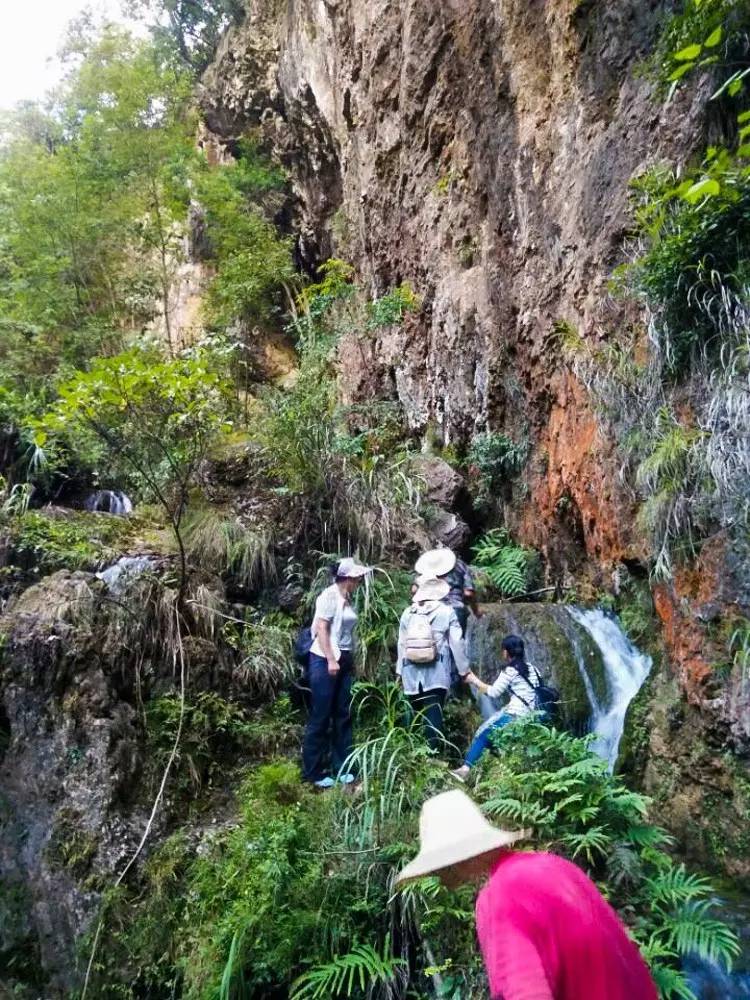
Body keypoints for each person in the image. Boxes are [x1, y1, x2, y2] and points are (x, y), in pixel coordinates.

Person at [396, 789, 658, 1000]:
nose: (440, 876)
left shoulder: (499, 896)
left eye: (440, 866)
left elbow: (526, 991)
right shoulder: (558, 867)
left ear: (456, 861)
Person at [302, 557, 371, 789]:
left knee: (342, 713)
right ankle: (313, 772)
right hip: (324, 659)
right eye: (357, 577)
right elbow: (322, 628)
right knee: (321, 715)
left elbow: (347, 633)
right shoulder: (329, 596)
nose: (360, 580)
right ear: (347, 578)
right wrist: (331, 659)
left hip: (344, 658)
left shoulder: (347, 597)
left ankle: (342, 767)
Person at [451, 634, 540, 782]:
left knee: (483, 735)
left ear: (506, 652)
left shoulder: (510, 671)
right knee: (502, 740)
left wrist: (473, 679)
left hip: (516, 715)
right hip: (533, 716)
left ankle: (465, 770)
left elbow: (493, 693)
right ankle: (499, 772)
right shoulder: (534, 669)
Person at [396, 577, 469, 750]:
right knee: (433, 712)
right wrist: (464, 671)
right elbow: (457, 643)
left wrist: (399, 672)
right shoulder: (446, 611)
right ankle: (432, 756)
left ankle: (408, 754)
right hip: (436, 672)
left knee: (412, 712)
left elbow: (401, 643)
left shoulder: (408, 612)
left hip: (410, 672)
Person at [414, 547, 480, 636]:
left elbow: (414, 590)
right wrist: (476, 611)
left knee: (433, 643)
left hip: (431, 610)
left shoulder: (426, 569)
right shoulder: (460, 565)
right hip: (456, 609)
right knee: (457, 644)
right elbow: (468, 593)